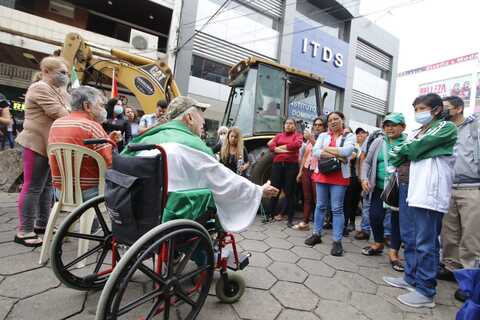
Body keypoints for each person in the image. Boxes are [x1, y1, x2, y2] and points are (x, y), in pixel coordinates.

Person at [123, 96, 279, 232]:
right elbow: (224, 181)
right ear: (189, 118)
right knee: (208, 199)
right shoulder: (191, 145)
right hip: (168, 217)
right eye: (201, 115)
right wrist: (258, 190)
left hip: (136, 212)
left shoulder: (147, 138)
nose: (203, 121)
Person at [383, 93, 458, 308]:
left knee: (426, 242)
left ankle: (426, 291)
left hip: (430, 192)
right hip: (413, 189)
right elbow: (397, 152)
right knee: (411, 237)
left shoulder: (446, 128)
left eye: (422, 109)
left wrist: (413, 150)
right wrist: (412, 150)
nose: (418, 113)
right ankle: (410, 278)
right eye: (415, 109)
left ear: (435, 109)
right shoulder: (417, 131)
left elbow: (412, 149)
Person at [14, 56, 70, 247]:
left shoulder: (57, 89)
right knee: (32, 187)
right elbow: (60, 112)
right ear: (46, 71)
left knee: (46, 187)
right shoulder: (40, 88)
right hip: (35, 143)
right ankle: (24, 230)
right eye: (61, 72)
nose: (65, 76)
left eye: (66, 73)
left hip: (48, 145)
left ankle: (42, 224)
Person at [438, 96, 480, 302]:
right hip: (448, 186)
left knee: (471, 236)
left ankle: (469, 279)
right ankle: (450, 267)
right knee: (449, 232)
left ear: (459, 108)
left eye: (446, 108)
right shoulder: (445, 129)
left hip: (472, 187)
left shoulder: (474, 127)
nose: (443, 111)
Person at [49, 86, 122, 200]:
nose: (104, 109)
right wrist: (112, 145)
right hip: (89, 194)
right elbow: (109, 163)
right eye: (100, 105)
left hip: (61, 192)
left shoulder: (56, 124)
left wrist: (107, 139)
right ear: (87, 106)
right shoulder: (92, 126)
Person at [360, 113, 406, 272]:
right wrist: (364, 179)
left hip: (397, 189)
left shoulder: (408, 142)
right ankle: (378, 243)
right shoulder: (378, 141)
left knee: (396, 221)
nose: (389, 128)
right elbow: (366, 162)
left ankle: (394, 254)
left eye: (393, 124)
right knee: (374, 216)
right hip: (378, 187)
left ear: (403, 127)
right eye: (386, 125)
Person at [304, 112, 355, 256]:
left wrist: (326, 150)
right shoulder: (323, 136)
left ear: (342, 120)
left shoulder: (349, 136)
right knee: (320, 206)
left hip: (339, 177)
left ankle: (337, 241)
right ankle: (316, 234)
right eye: (331, 120)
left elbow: (348, 150)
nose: (333, 122)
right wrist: (337, 155)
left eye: (336, 119)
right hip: (322, 175)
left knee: (337, 209)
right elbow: (315, 152)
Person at [267, 118, 303, 227]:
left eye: (291, 123)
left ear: (295, 126)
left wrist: (279, 148)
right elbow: (271, 147)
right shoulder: (279, 136)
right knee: (274, 189)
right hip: (277, 165)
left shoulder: (298, 136)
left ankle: (290, 219)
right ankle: (270, 215)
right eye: (286, 123)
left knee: (289, 192)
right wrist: (287, 150)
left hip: (291, 166)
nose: (288, 125)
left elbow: (296, 145)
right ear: (284, 125)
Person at [293, 117, 326, 230]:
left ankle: (318, 226)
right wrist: (300, 171)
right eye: (315, 125)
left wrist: (311, 139)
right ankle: (305, 222)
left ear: (324, 127)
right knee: (307, 197)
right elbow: (305, 156)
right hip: (307, 169)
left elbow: (323, 152)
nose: (317, 127)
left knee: (318, 200)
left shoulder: (326, 138)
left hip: (318, 171)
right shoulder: (309, 139)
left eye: (320, 125)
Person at [343, 127, 368, 234]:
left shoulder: (364, 147)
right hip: (349, 177)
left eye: (362, 134)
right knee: (347, 201)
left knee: (354, 202)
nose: (359, 136)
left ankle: (352, 223)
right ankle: (345, 224)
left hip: (358, 179)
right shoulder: (352, 146)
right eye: (357, 134)